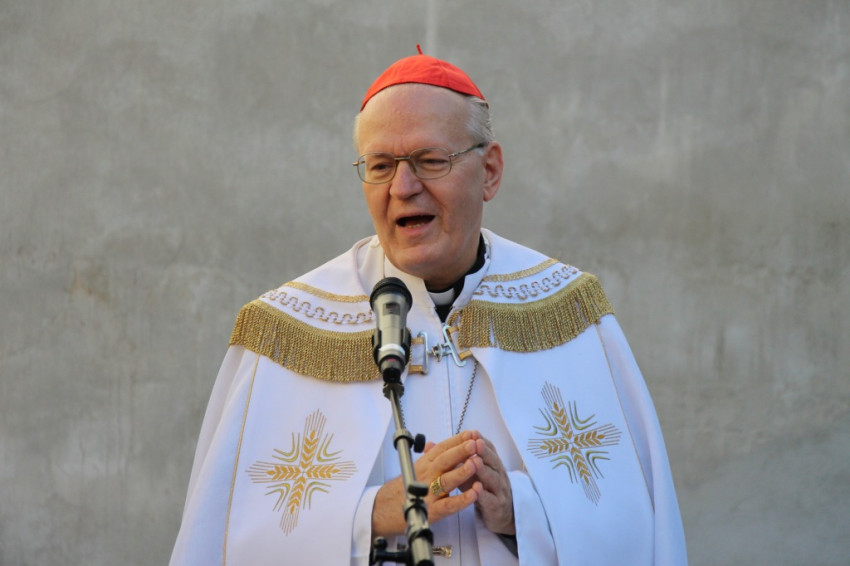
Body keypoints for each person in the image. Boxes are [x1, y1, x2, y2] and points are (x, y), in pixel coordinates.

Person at [170, 49, 687, 566]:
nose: (403, 187)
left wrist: (520, 511)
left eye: (430, 160)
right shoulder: (286, 328)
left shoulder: (569, 311)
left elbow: (634, 529)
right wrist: (371, 513)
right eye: (381, 166)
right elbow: (228, 538)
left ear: (489, 171)